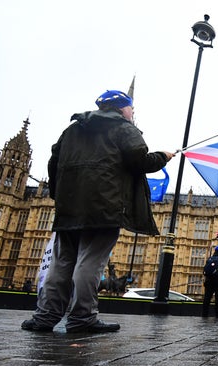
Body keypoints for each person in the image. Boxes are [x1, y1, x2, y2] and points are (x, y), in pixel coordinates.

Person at [21, 90, 173, 334]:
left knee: (60, 264)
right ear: (123, 108)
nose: (133, 114)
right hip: (104, 207)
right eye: (132, 109)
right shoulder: (123, 127)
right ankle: (82, 318)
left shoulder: (72, 129)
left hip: (69, 207)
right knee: (90, 263)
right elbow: (140, 161)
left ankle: (45, 317)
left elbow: (54, 163)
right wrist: (163, 157)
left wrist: (59, 195)